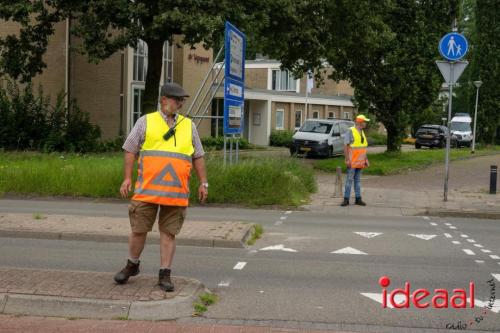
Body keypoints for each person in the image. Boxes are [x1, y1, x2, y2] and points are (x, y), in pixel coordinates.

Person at [114, 82, 208, 292]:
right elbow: (130, 149)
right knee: (139, 230)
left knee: (168, 233)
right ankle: (132, 265)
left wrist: (204, 182)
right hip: (146, 190)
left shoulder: (188, 125)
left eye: (182, 100)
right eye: (177, 100)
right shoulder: (145, 122)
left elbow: (198, 155)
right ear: (164, 100)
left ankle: (164, 274)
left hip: (175, 194)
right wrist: (127, 178)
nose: (180, 104)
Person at [341, 115, 370, 207]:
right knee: (349, 180)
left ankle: (358, 199)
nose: (366, 123)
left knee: (357, 180)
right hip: (352, 161)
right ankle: (346, 199)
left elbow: (363, 147)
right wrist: (347, 159)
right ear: (360, 122)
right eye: (365, 121)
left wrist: (366, 159)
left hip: (360, 162)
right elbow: (345, 146)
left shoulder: (362, 132)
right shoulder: (351, 131)